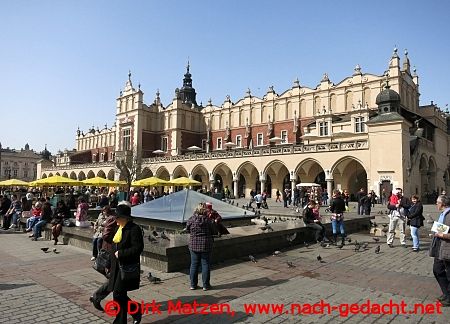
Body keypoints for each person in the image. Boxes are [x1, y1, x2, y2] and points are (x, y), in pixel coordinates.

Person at [107, 204, 144, 324]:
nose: (115, 220)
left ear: (125, 218)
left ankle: (123, 319)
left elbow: (138, 248)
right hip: (116, 267)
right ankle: (135, 310)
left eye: (118, 217)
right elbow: (113, 247)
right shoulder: (119, 228)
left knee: (118, 293)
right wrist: (109, 262)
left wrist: (122, 253)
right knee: (118, 295)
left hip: (126, 267)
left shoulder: (134, 229)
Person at [186, 203, 214, 291]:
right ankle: (206, 285)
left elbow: (187, 229)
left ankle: (193, 285)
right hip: (206, 245)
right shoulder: (208, 220)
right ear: (205, 211)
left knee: (194, 265)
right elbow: (214, 230)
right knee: (205, 265)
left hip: (193, 245)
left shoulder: (191, 219)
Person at [431, 195, 450, 307]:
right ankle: (446, 292)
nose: (436, 204)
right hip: (440, 247)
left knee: (449, 274)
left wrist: (442, 234)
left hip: (447, 248)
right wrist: (435, 229)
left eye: (437, 202)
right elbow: (443, 227)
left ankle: (449, 297)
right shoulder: (443, 214)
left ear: (443, 204)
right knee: (437, 270)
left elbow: (445, 232)